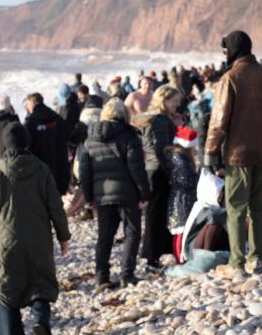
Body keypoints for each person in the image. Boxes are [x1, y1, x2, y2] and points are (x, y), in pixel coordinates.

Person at [0, 122, 71, 335]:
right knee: (40, 283)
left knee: (6, 289)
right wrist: (64, 237)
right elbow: (56, 206)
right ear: (27, 142)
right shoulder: (41, 168)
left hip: (6, 239)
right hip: (38, 238)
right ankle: (41, 321)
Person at [204, 30, 262, 278]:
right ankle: (256, 258)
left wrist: (210, 154)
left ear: (233, 50)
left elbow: (219, 121)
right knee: (259, 208)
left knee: (236, 209)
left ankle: (237, 262)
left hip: (237, 155)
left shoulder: (231, 78)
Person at [79, 100, 150, 290]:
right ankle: (127, 274)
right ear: (124, 114)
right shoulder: (129, 136)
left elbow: (85, 172)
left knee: (105, 236)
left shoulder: (89, 139)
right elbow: (137, 169)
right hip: (127, 194)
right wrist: (144, 193)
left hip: (102, 195)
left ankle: (101, 276)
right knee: (132, 233)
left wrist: (88, 197)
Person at [135, 84, 181, 271]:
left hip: (150, 169)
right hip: (159, 171)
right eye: (175, 101)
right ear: (164, 100)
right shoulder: (161, 120)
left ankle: (155, 255)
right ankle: (152, 258)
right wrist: (171, 168)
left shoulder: (149, 118)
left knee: (156, 213)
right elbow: (160, 148)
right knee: (157, 214)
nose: (177, 105)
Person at [23, 93, 70, 195]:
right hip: (59, 171)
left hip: (39, 173)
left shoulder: (30, 123)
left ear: (31, 103)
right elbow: (68, 137)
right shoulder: (57, 119)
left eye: (27, 104)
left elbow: (25, 147)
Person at [165, 127, 199, 263]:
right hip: (181, 200)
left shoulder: (177, 156)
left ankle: (181, 257)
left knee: (181, 230)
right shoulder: (179, 158)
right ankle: (180, 258)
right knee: (180, 230)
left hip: (182, 198)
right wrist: (198, 179)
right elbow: (184, 179)